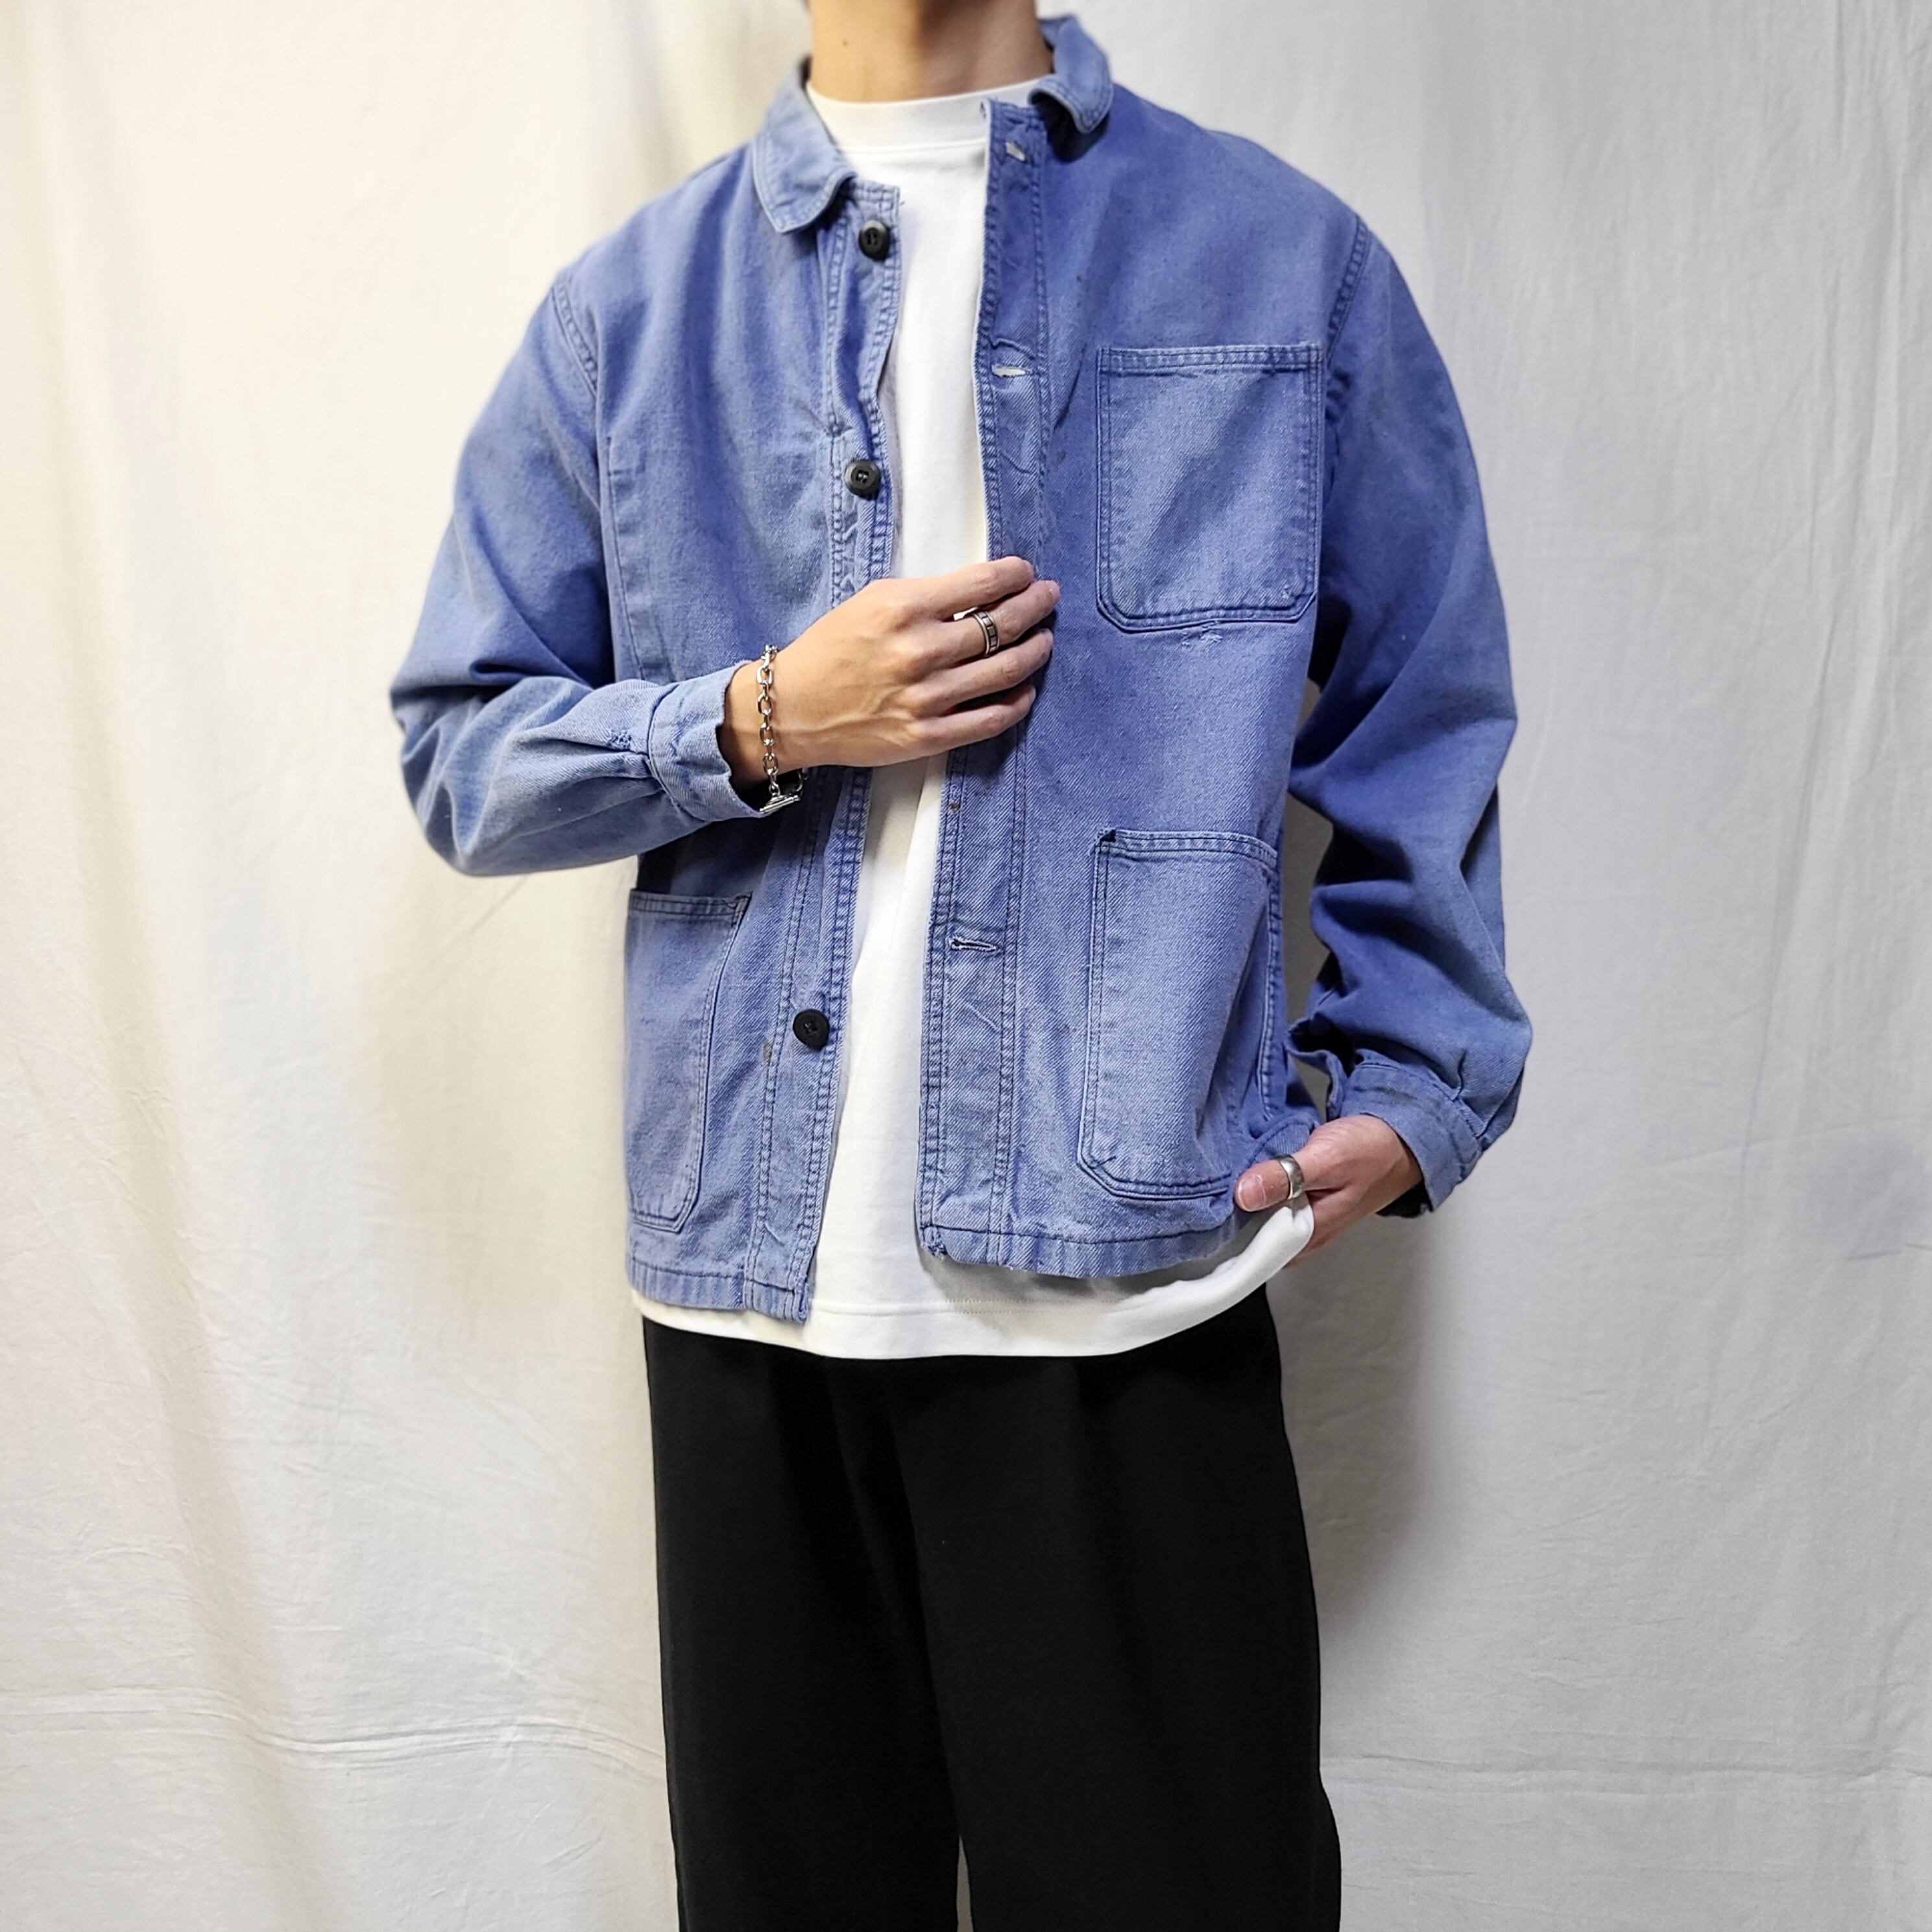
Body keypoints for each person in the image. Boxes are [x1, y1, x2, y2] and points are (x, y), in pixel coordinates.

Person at [389, 3, 1530, 1926]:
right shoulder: (634, 309)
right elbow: (464, 752)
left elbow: (1421, 698)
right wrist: (765, 714)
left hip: (1131, 1285)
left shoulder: (1276, 260)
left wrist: (1419, 1078)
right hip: (757, 1310)